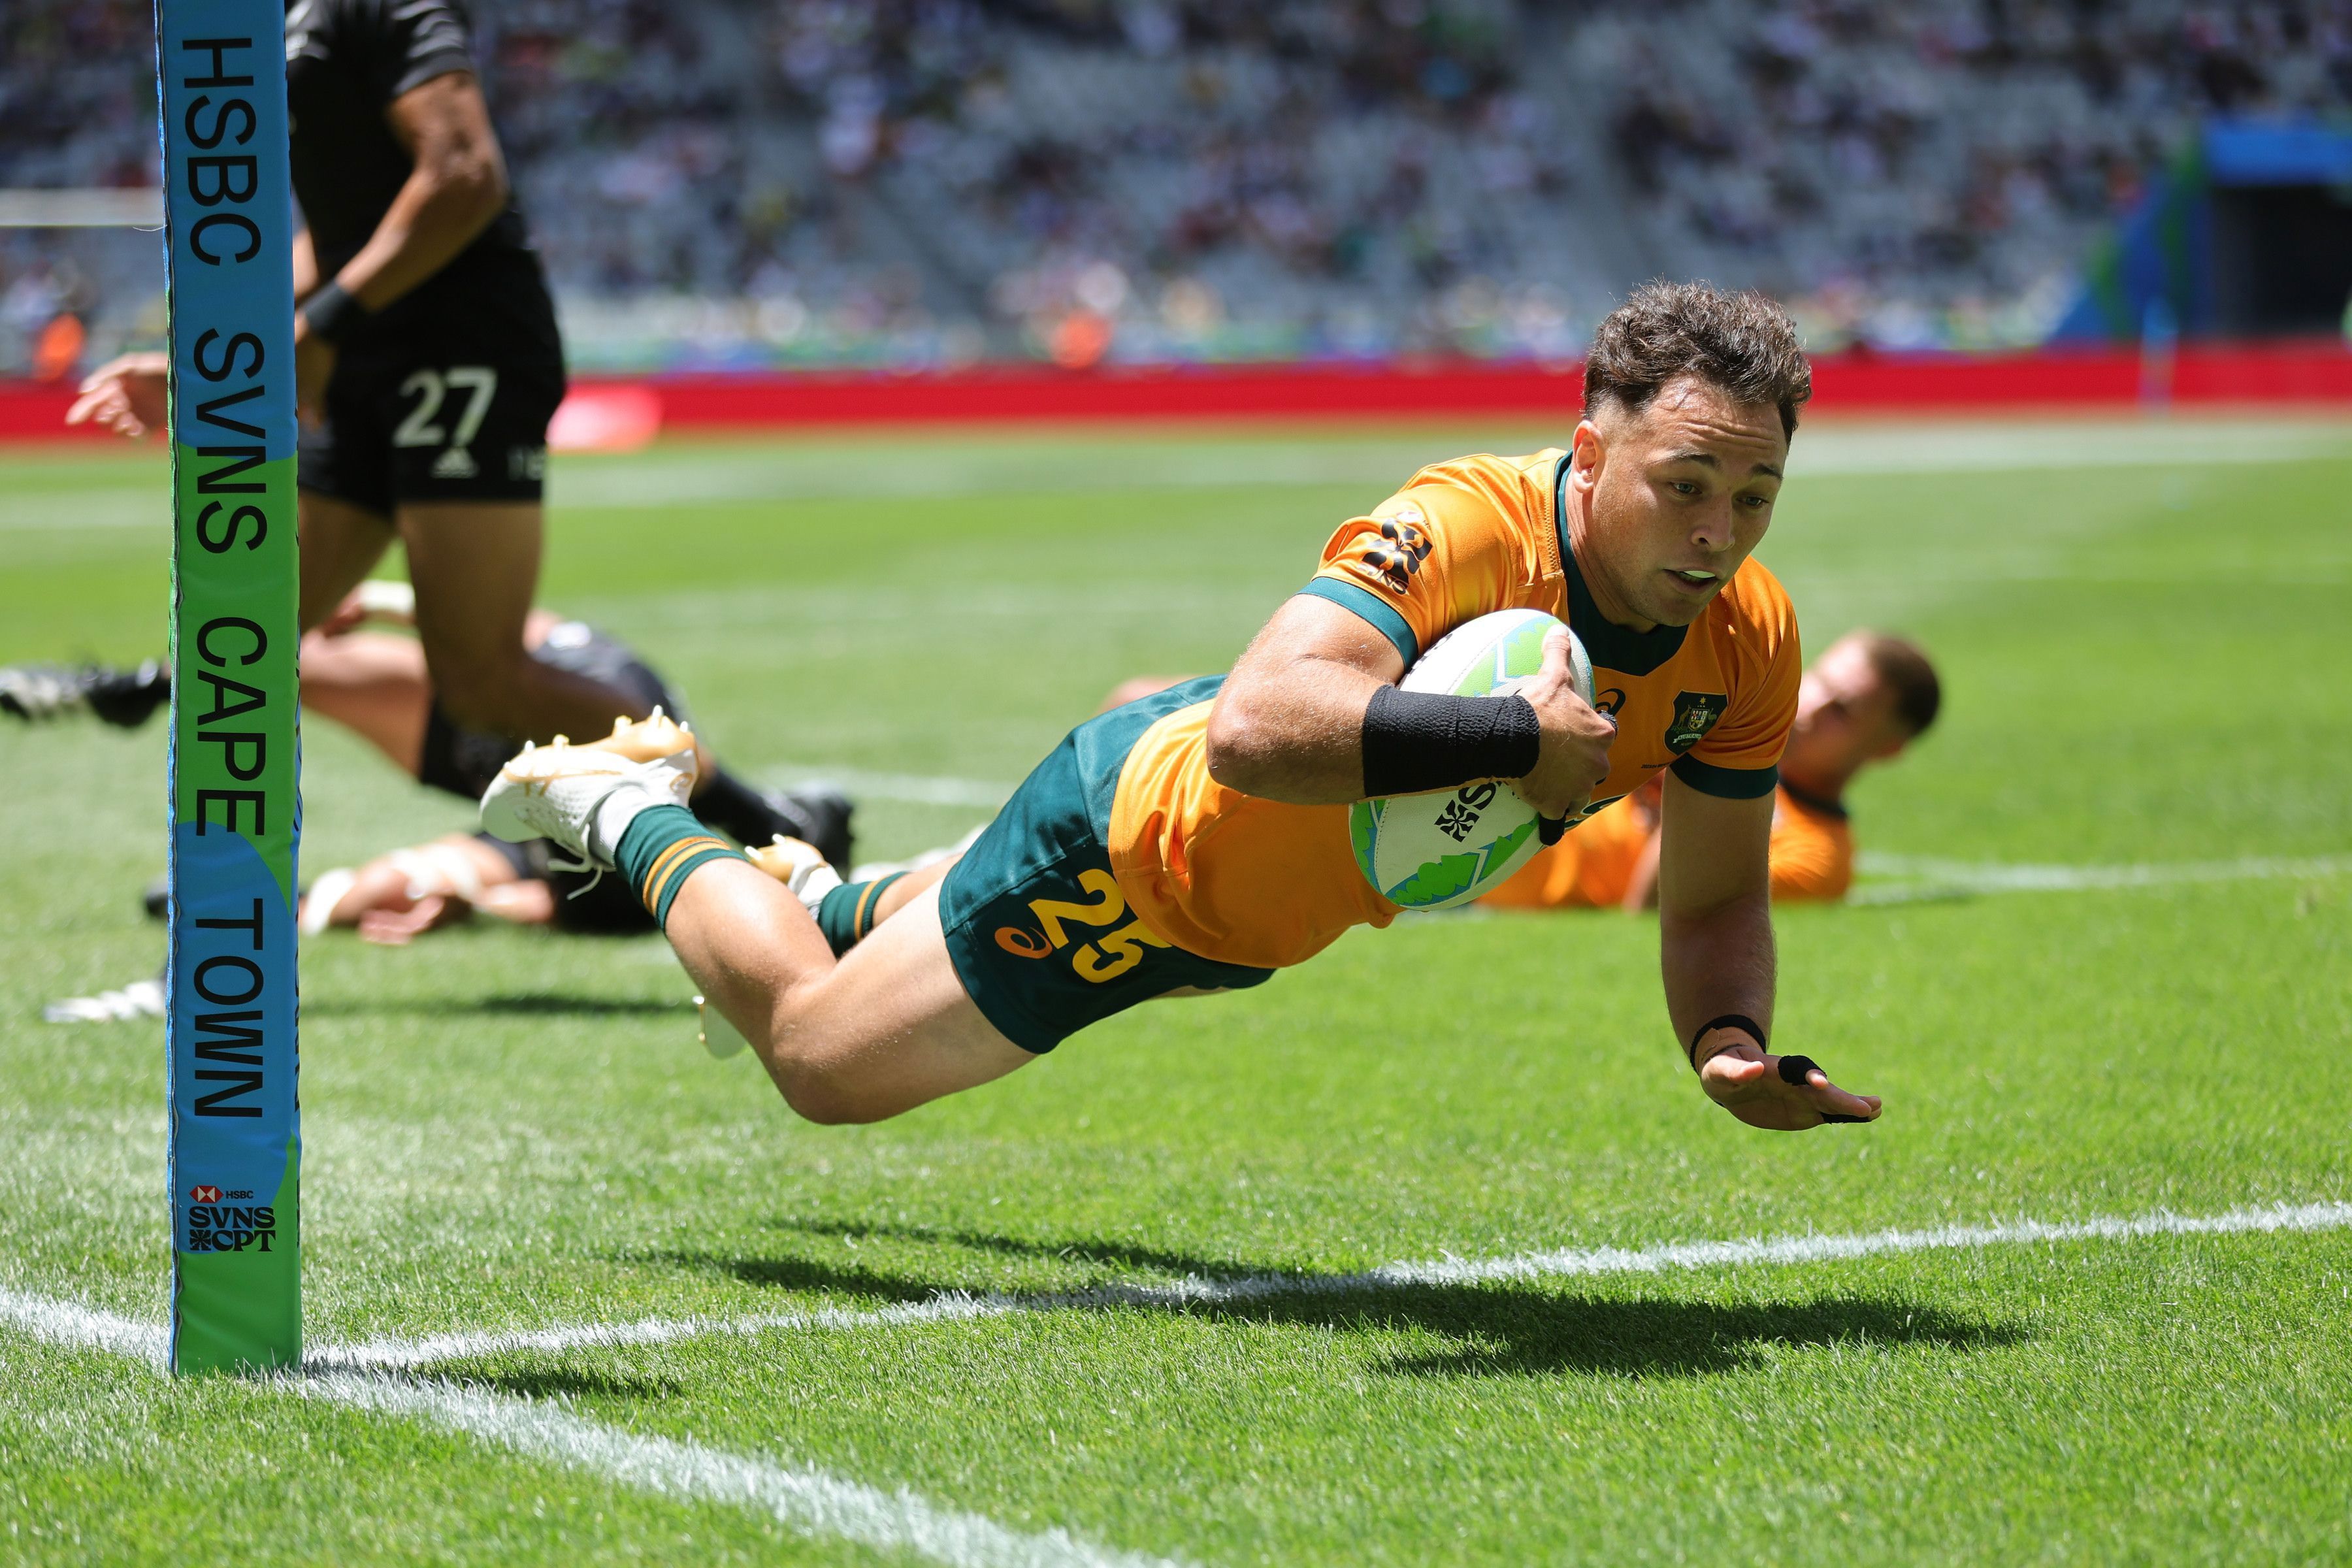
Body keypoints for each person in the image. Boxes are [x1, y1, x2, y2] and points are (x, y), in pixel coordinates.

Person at [479, 283, 1883, 1134]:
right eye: (1685, 484)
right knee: (821, 1065)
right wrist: (1522, 739)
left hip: (1245, 924)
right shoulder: (1473, 522)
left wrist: (1728, 1043)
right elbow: (1258, 731)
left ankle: (808, 888)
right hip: (1135, 850)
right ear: (1594, 449)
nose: (1719, 531)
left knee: (860, 938)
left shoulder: (1749, 644)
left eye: (1753, 498)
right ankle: (629, 807)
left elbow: (1709, 903)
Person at [64, 0, 687, 781]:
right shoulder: (263, 26)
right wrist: (213, 357)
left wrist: (320, 329)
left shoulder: (370, 5)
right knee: (245, 640)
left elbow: (463, 174)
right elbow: (340, 241)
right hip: (361, 349)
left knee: (481, 685)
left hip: (462, 345)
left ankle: (741, 814)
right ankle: (234, 887)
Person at [1, 583, 852, 907]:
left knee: (426, 884)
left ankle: (262, 908)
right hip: (498, 732)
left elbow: (524, 896)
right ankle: (141, 688)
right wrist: (384, 598)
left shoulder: (644, 873)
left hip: (512, 784)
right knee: (297, 665)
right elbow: (529, 631)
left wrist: (455, 895)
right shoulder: (633, 699)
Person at [1482, 631, 1941, 911]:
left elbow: (1653, 908)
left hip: (1483, 880)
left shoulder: (1818, 860)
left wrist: (1705, 778)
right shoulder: (1728, 721)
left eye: (1843, 711)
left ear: (1886, 749)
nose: (1811, 705)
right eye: (1819, 679)